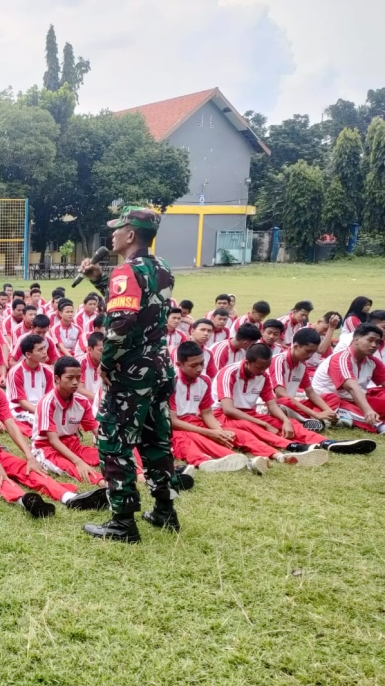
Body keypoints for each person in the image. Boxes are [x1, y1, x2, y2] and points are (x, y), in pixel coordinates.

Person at [76, 206, 185, 541]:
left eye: (118, 228)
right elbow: (140, 304)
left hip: (131, 372)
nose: (113, 234)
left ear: (131, 234)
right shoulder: (162, 267)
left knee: (113, 442)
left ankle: (123, 522)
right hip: (159, 368)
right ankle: (165, 510)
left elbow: (122, 323)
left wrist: (107, 363)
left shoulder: (126, 271)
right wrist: (99, 278)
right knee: (156, 440)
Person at [0, 347, 104, 518]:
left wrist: (29, 457)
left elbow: (11, 425)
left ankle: (69, 497)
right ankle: (23, 500)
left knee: (28, 469)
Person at [212, 346, 331, 466]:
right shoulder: (229, 373)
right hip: (222, 415)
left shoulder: (264, 376)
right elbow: (228, 410)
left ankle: (325, 442)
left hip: (249, 413)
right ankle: (294, 446)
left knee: (288, 422)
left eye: (266, 367)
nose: (263, 371)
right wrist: (264, 424)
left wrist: (285, 421)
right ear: (247, 362)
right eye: (259, 367)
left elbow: (272, 404)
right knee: (250, 426)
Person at [168, 342, 260, 474]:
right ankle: (207, 461)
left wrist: (219, 432)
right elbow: (173, 421)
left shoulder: (204, 380)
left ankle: (276, 454)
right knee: (193, 438)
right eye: (194, 365)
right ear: (179, 364)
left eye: (202, 363)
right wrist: (210, 433)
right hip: (173, 426)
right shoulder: (171, 381)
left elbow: (206, 413)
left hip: (194, 421)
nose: (199, 369)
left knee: (238, 434)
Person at [32, 357, 117, 492]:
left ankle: (138, 473)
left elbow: (97, 430)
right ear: (57, 378)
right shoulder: (48, 402)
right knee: (72, 467)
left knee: (108, 456)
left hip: (73, 445)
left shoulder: (82, 402)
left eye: (78, 378)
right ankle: (104, 483)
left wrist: (112, 450)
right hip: (47, 447)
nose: (75, 382)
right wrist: (78, 461)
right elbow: (53, 441)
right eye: (70, 378)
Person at [311, 323, 385, 434]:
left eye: (378, 342)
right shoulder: (341, 359)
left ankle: (345, 419)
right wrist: (368, 410)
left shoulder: (372, 361)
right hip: (331, 401)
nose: (374, 345)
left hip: (355, 399)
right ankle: (379, 426)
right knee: (364, 413)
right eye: (370, 340)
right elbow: (352, 388)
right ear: (356, 340)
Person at [5, 334, 54, 435]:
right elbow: (22, 402)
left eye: (44, 348)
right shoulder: (16, 372)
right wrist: (42, 413)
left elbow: (50, 397)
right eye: (40, 350)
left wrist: (46, 412)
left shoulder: (48, 370)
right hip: (20, 409)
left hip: (41, 408)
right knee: (36, 421)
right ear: (28, 354)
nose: (44, 352)